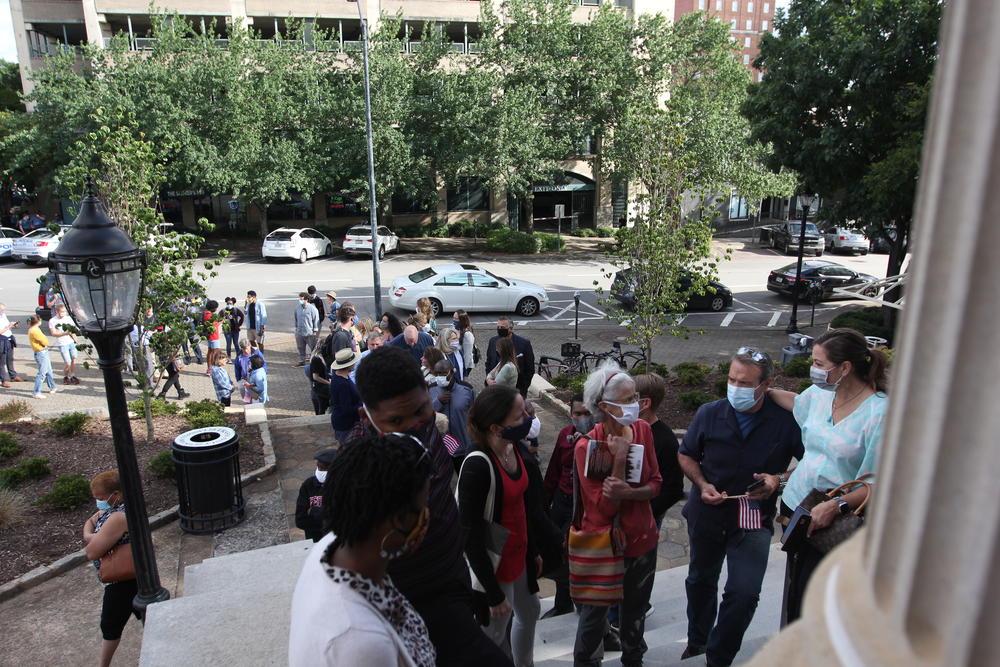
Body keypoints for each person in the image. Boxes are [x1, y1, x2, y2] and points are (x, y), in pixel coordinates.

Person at [354, 347, 514, 667]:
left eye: (421, 409)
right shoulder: (360, 469)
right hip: (416, 602)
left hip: (455, 576)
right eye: (397, 420)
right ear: (367, 417)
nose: (415, 424)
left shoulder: (429, 423)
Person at [676, 348, 803, 666]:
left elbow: (812, 460)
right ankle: (697, 642)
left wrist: (778, 480)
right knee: (700, 580)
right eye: (731, 379)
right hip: (707, 514)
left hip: (753, 518)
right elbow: (687, 454)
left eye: (744, 383)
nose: (735, 387)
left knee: (744, 593)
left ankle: (718, 657)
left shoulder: (786, 423)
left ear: (766, 385)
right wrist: (703, 485)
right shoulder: (709, 412)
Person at [767, 329, 889, 626]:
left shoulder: (879, 414)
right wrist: (760, 390)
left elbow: (878, 482)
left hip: (833, 519)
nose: (814, 370)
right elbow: (797, 402)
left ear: (845, 368)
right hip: (798, 507)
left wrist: (837, 506)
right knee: (796, 587)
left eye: (820, 364)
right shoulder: (821, 395)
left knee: (817, 599)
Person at [288, 434, 436, 667]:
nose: (427, 516)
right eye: (423, 507)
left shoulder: (333, 544)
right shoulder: (359, 644)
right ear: (396, 521)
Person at [459, 384, 561, 666]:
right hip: (496, 564)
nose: (526, 420)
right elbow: (470, 535)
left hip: (520, 554)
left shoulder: (515, 449)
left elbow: (526, 510)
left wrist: (534, 552)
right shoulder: (477, 466)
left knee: (530, 611)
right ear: (495, 427)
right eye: (518, 417)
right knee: (493, 632)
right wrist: (492, 594)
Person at [573, 361, 662, 667]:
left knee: (635, 613)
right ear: (603, 406)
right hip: (603, 545)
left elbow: (656, 483)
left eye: (635, 397)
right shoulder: (588, 447)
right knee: (594, 615)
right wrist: (620, 457)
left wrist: (631, 494)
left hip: (642, 539)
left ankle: (633, 658)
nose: (635, 405)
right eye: (626, 401)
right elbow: (602, 506)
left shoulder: (643, 430)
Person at [541, 393, 593, 619]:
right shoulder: (565, 435)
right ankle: (562, 603)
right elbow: (553, 470)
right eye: (577, 413)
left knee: (572, 554)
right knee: (556, 551)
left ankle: (583, 604)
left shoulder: (598, 440)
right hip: (561, 501)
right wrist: (544, 503)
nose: (581, 418)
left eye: (586, 413)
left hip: (582, 505)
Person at [83, 471, 139, 667]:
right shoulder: (119, 507)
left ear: (115, 494)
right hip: (133, 577)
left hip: (122, 582)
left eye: (100, 499)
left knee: (110, 626)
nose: (99, 503)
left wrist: (90, 536)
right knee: (148, 614)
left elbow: (91, 552)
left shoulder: (117, 517)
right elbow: (91, 520)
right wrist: (94, 534)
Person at [633, 373, 686, 528]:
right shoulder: (626, 428)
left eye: (629, 398)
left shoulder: (666, 441)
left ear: (644, 403)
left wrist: (645, 513)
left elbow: (673, 489)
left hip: (645, 521)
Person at [429, 359, 475, 467]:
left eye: (443, 373)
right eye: (437, 373)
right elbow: (426, 414)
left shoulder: (467, 390)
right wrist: (438, 401)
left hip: (463, 447)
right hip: (441, 448)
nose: (440, 376)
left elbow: (475, 416)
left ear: (452, 372)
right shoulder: (431, 389)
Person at [294, 448, 338, 542]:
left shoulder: (344, 487)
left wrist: (315, 512)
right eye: (319, 467)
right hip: (315, 540)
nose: (320, 471)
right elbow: (300, 520)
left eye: (324, 468)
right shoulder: (308, 485)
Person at [485, 318, 534, 397]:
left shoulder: (524, 343)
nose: (499, 329)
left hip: (515, 392)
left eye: (502, 327)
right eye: (498, 327)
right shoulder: (493, 341)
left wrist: (523, 390)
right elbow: (489, 362)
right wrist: (488, 380)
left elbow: (530, 369)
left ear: (510, 329)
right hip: (493, 392)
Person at [329, 347, 362, 444]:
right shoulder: (342, 384)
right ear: (348, 365)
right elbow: (346, 409)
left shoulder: (339, 376)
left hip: (343, 421)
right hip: (345, 423)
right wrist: (362, 405)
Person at [48, 304, 80, 385]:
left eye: (65, 311)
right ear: (57, 311)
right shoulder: (52, 321)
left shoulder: (68, 318)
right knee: (67, 362)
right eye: (62, 312)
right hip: (62, 343)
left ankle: (73, 376)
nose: (64, 313)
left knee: (73, 359)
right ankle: (66, 376)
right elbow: (53, 333)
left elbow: (74, 329)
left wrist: (75, 337)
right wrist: (64, 333)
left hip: (71, 342)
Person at [27, 315, 57, 399]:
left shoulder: (34, 329)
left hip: (42, 352)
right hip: (41, 352)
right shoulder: (35, 331)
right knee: (42, 373)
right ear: (37, 321)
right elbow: (45, 341)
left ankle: (53, 386)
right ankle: (36, 392)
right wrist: (45, 342)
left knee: (49, 370)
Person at [294, 292, 320, 367]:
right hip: (300, 332)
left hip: (310, 332)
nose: (300, 300)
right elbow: (296, 318)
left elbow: (316, 320)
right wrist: (296, 328)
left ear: (306, 299)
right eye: (300, 299)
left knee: (313, 348)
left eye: (301, 299)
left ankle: (314, 362)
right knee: (300, 347)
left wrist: (315, 331)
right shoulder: (297, 308)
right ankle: (301, 361)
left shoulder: (312, 309)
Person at [0, 302, 23, 387]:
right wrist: (8, 327)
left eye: (3, 310)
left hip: (9, 339)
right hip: (1, 340)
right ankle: (4, 380)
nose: (3, 311)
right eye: (1, 310)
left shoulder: (3, 316)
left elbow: (6, 326)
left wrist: (13, 325)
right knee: (1, 361)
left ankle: (13, 376)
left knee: (10, 359)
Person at [309, 340, 332, 415]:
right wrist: (328, 383)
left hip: (322, 386)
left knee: (322, 407)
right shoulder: (316, 359)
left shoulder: (321, 357)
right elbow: (315, 377)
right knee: (323, 406)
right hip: (320, 387)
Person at [452, 311, 476, 378]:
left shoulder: (467, 335)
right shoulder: (455, 328)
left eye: (456, 319)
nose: (454, 320)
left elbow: (467, 354)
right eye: (453, 318)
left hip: (465, 364)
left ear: (462, 320)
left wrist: (463, 371)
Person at [203, 300, 223, 373]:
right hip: (213, 336)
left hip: (210, 336)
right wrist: (221, 322)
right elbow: (214, 325)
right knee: (215, 353)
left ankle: (209, 368)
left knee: (210, 352)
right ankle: (213, 368)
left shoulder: (205, 313)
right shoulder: (209, 315)